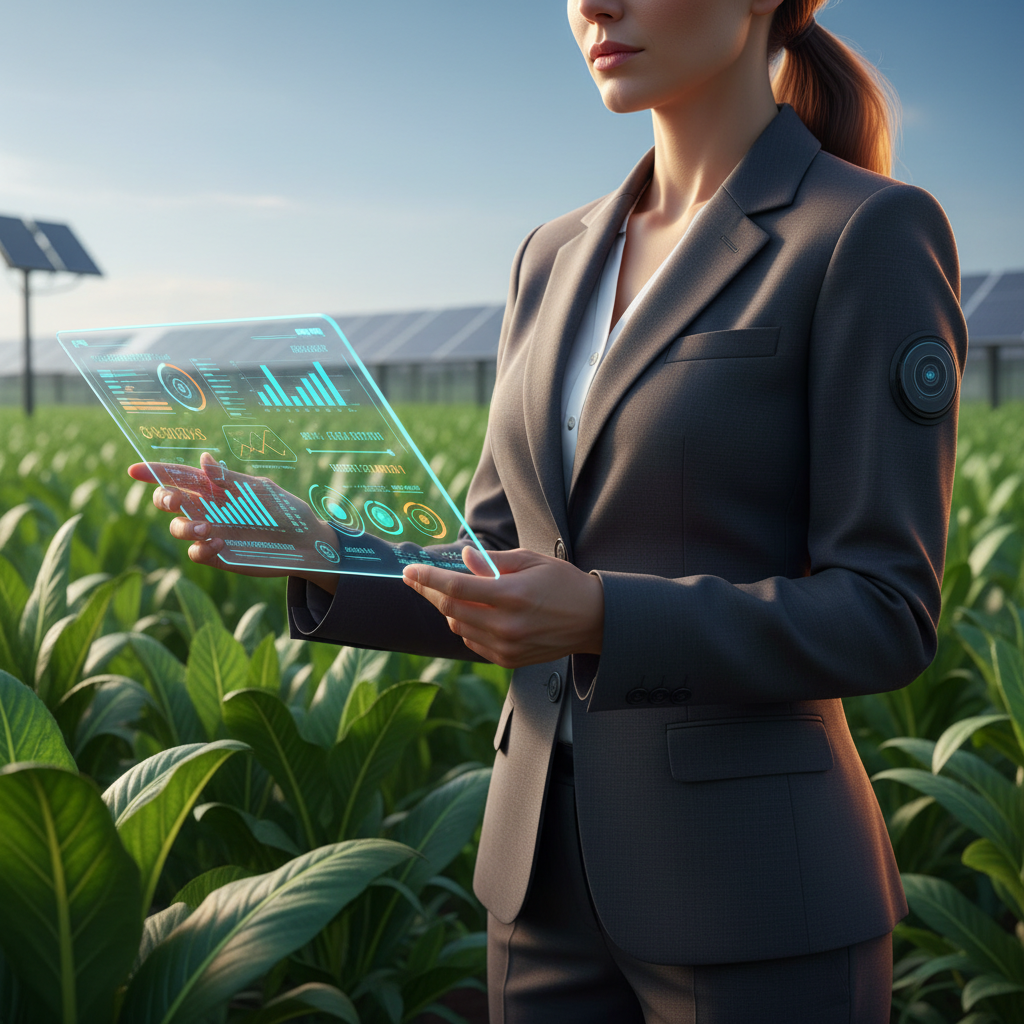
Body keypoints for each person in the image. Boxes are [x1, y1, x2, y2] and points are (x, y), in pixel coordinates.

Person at [133, 0, 967, 1019]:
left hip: (755, 897)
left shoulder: (863, 231)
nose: (594, 6)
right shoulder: (552, 253)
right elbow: (498, 555)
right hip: (535, 889)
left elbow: (884, 611)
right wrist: (317, 546)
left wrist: (605, 617)